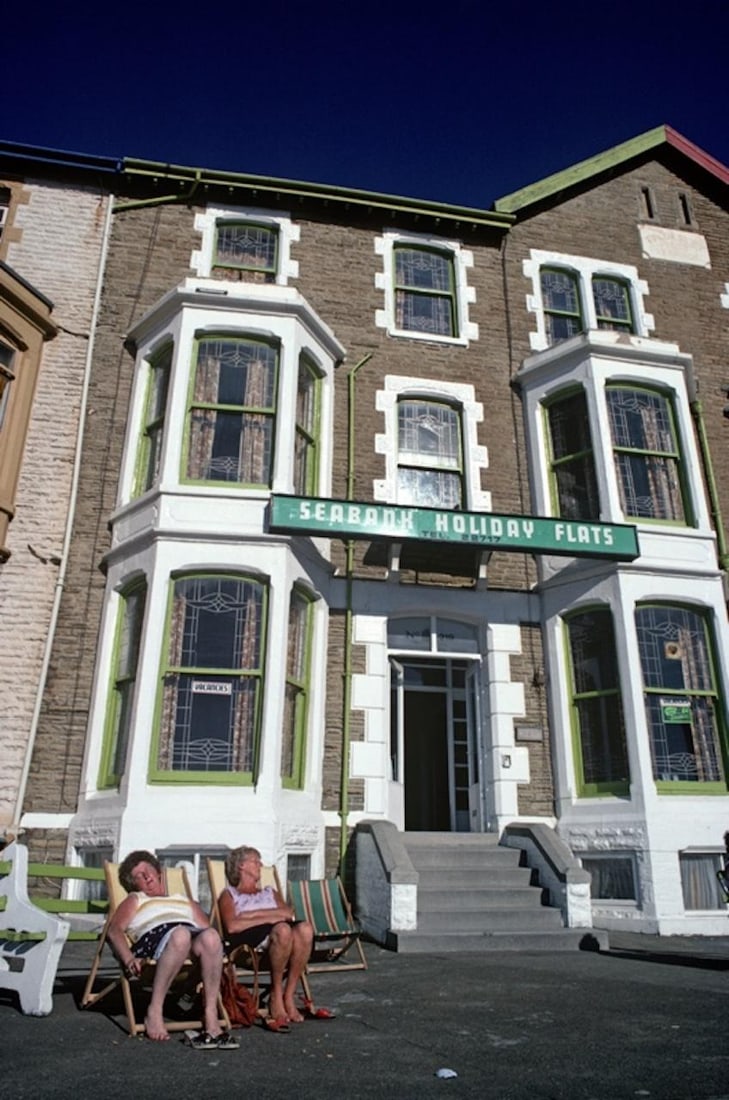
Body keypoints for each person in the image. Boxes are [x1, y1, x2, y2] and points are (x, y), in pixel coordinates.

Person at [107, 849, 237, 1048]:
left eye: (148, 870)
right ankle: (154, 1011)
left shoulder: (184, 900)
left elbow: (206, 929)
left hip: (189, 939)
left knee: (211, 936)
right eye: (139, 876)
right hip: (157, 939)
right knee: (181, 935)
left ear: (158, 872)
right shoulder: (136, 898)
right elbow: (114, 930)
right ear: (134, 884)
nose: (147, 876)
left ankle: (210, 1014)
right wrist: (128, 958)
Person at [219, 846, 313, 1028]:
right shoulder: (229, 894)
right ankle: (276, 995)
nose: (260, 865)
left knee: (306, 929)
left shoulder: (269, 892)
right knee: (283, 930)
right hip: (250, 944)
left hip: (280, 939)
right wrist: (272, 915)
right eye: (256, 861)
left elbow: (288, 913)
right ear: (242, 866)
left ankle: (289, 995)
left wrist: (250, 915)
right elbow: (232, 925)